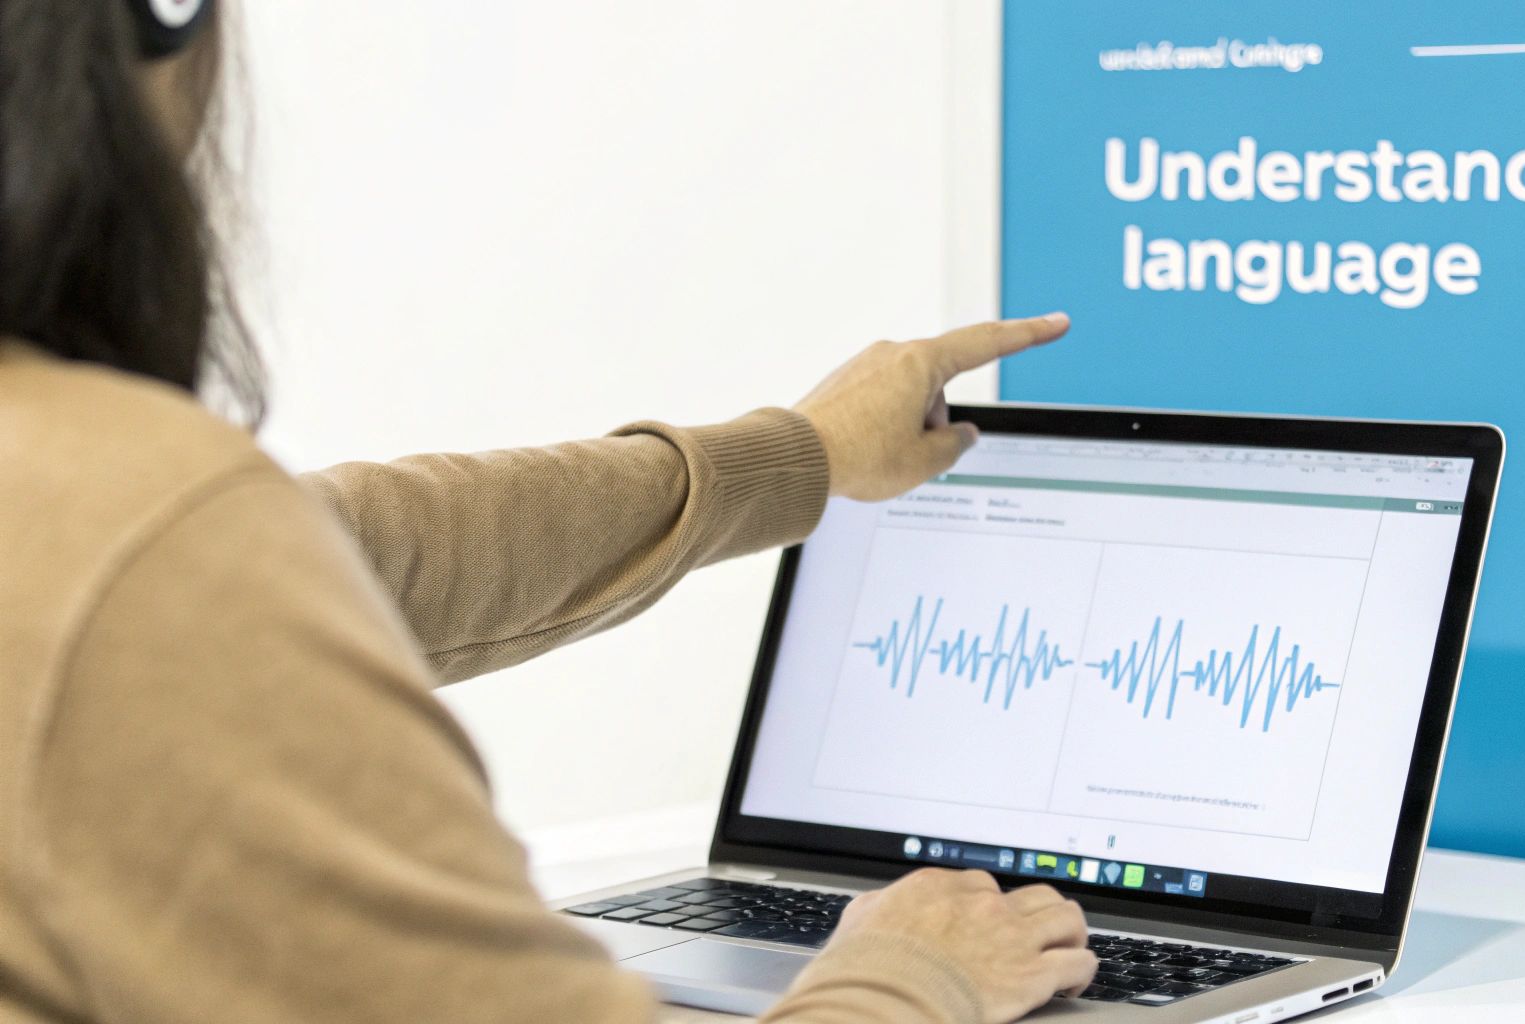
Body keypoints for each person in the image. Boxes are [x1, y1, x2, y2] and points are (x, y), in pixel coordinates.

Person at [0, 3, 1094, 1022]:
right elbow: (204, 564)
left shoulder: (91, 500)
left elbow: (352, 547)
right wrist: (916, 971)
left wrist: (792, 459)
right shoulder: (144, 531)